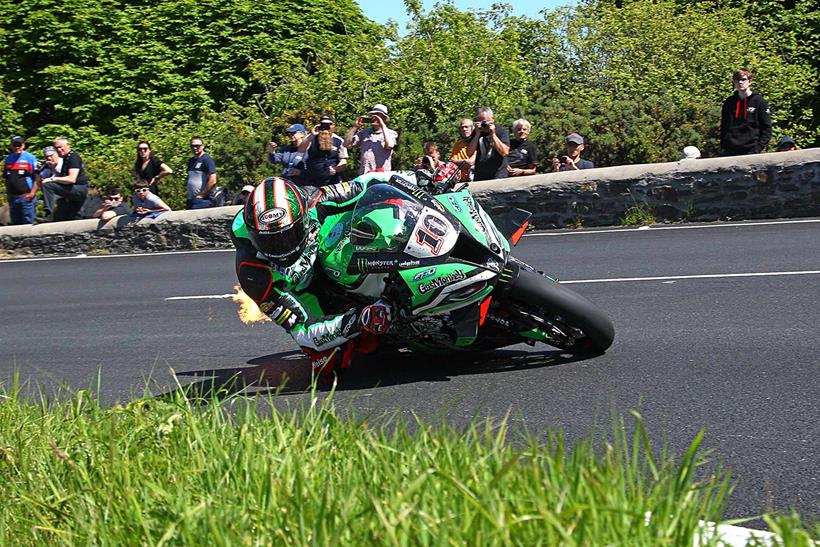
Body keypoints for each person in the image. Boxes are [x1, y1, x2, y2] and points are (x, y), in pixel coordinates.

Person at [231, 176, 389, 379]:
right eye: (269, 242)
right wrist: (358, 321)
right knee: (329, 363)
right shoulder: (253, 274)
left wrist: (421, 178)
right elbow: (302, 331)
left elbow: (366, 185)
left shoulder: (312, 199)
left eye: (287, 236)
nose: (280, 248)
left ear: (303, 218)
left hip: (332, 250)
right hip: (302, 294)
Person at [719, 68, 772, 156]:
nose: (740, 82)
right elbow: (724, 126)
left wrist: (758, 148)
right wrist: (723, 146)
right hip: (730, 150)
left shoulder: (759, 102)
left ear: (750, 81)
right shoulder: (729, 102)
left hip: (751, 150)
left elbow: (767, 128)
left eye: (743, 80)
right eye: (737, 80)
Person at [41, 137, 89, 221]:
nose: (59, 150)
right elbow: (62, 177)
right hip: (72, 189)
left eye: (60, 147)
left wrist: (52, 179)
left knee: (48, 185)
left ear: (67, 146)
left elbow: (71, 179)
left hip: (79, 189)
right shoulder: (65, 159)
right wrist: (50, 168)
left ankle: (48, 214)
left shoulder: (73, 157)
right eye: (56, 148)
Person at [345, 104, 398, 175]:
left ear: (384, 118)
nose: (374, 118)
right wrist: (355, 127)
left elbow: (390, 145)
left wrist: (382, 126)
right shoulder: (364, 132)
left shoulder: (390, 133)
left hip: (381, 175)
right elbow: (347, 144)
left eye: (378, 116)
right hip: (364, 174)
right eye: (373, 115)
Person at [298, 114, 348, 186]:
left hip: (332, 181)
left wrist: (336, 169)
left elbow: (343, 160)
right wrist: (311, 135)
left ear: (333, 126)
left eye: (328, 125)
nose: (326, 127)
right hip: (312, 180)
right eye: (323, 124)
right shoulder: (311, 138)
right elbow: (300, 150)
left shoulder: (339, 140)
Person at [2, 136, 39, 225]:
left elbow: (37, 177)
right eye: (14, 145)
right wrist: (8, 194)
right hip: (13, 198)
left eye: (19, 145)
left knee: (28, 223)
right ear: (11, 146)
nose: (17, 147)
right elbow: (6, 178)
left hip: (26, 197)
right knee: (15, 224)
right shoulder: (8, 159)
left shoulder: (30, 158)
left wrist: (32, 193)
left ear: (23, 145)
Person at [467, 107, 510, 181]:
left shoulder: (501, 131)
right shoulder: (476, 132)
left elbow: (505, 152)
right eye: (480, 121)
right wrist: (477, 134)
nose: (483, 124)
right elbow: (469, 153)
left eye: (485, 121)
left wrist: (493, 134)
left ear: (492, 119)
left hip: (498, 175)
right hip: (480, 175)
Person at [186, 136, 217, 209]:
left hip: (203, 200)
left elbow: (213, 180)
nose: (194, 148)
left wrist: (202, 195)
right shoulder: (191, 161)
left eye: (197, 146)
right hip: (192, 199)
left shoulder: (207, 159)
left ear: (202, 146)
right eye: (192, 146)